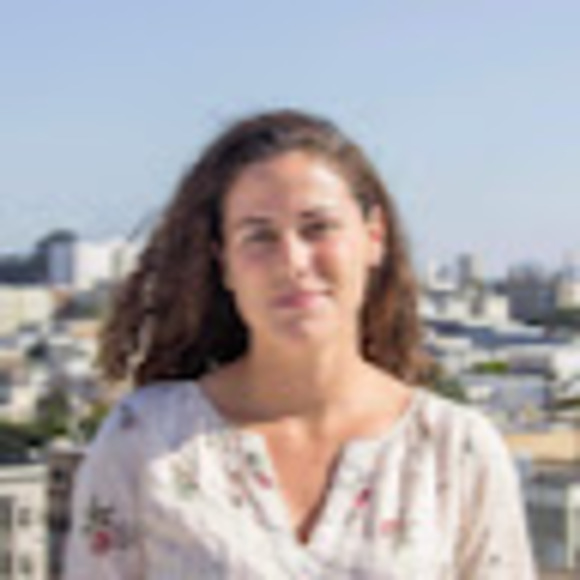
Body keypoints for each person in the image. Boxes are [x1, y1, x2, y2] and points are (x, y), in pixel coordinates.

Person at [65, 109, 537, 579]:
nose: (292, 260)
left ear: (374, 237)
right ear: (224, 263)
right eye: (259, 236)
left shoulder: (454, 452)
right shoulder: (146, 441)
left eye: (317, 228)